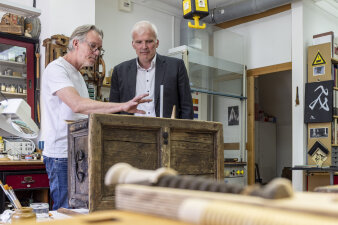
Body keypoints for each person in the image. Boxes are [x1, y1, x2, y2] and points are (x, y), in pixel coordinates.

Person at [40, 25, 151, 210]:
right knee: (66, 211)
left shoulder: (77, 75)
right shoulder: (56, 69)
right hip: (61, 155)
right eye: (93, 46)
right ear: (76, 43)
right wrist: (123, 106)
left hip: (79, 153)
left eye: (99, 48)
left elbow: (87, 113)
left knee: (81, 211)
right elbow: (77, 105)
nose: (97, 52)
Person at [109, 20, 193, 119]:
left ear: (157, 43)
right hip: (130, 131)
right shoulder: (119, 71)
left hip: (165, 131)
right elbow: (113, 109)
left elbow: (187, 107)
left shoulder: (176, 66)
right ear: (133, 44)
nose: (144, 47)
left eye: (149, 41)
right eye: (139, 42)